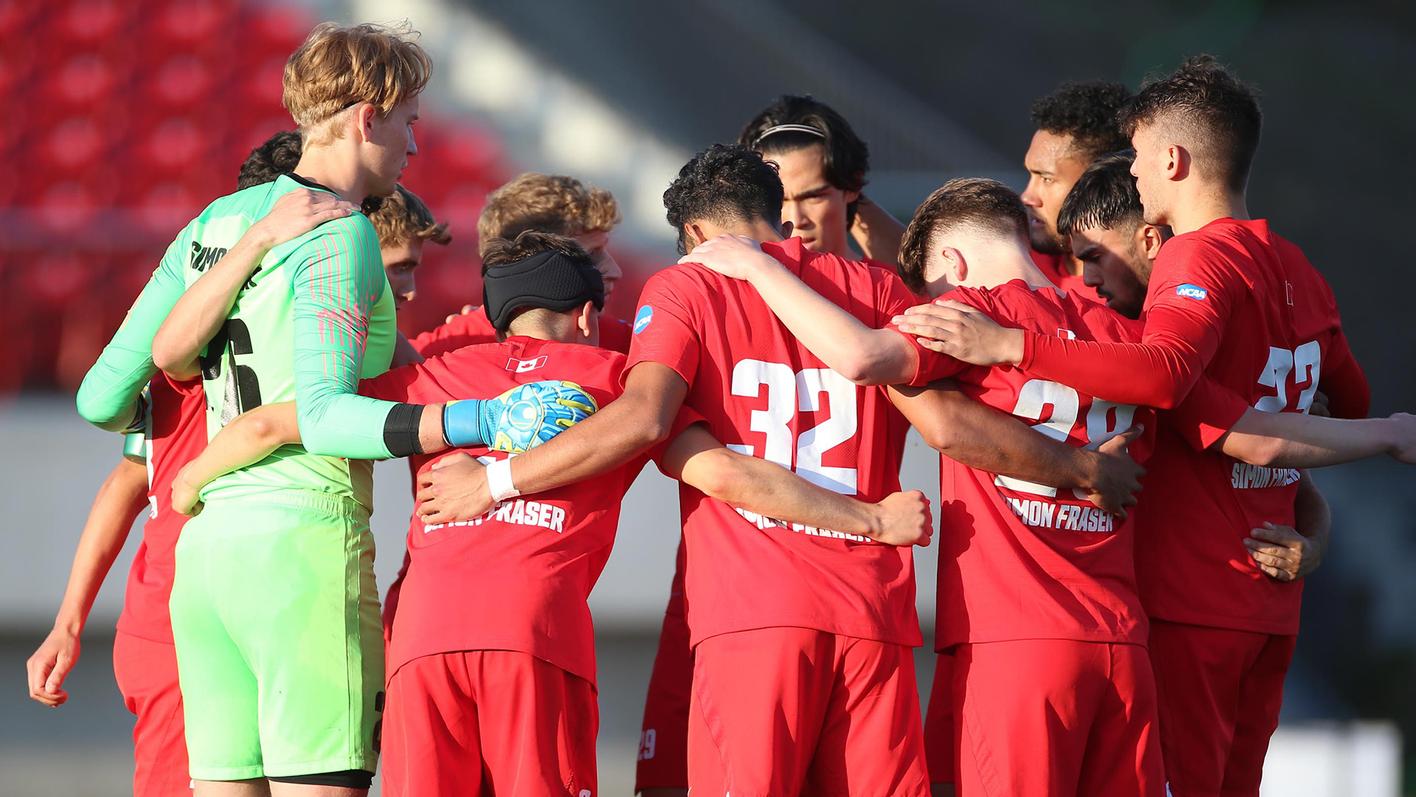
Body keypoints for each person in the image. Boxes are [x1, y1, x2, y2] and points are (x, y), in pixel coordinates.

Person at [416, 145, 1149, 795]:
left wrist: (496, 477)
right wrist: (1077, 467)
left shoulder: (687, 288)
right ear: (776, 215)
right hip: (872, 615)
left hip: (752, 616)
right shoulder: (876, 291)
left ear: (698, 237)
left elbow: (666, 434)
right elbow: (949, 426)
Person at [169, 230, 933, 796]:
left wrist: (191, 479)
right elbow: (723, 471)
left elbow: (274, 423)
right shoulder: (619, 379)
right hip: (534, 639)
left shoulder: (432, 374)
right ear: (585, 313)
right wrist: (867, 518)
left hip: (423, 643)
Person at [897, 57, 1376, 795]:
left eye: (1048, 180)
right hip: (1224, 620)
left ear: (1145, 180)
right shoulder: (1285, 269)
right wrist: (1315, 536)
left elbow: (1207, 406)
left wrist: (1005, 349)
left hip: (1161, 614)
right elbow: (1312, 418)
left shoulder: (1165, 297)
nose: (1031, 198)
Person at [411, 172, 632, 356]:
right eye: (591, 255)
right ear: (530, 261)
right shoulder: (445, 349)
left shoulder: (632, 347)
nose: (615, 271)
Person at [739, 94, 907, 264]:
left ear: (853, 186)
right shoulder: (729, 285)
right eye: (777, 201)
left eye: (813, 197)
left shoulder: (887, 285)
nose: (796, 220)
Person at [1022, 81, 1132, 301]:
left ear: (1097, 180)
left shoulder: (1134, 293)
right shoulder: (1016, 260)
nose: (1027, 196)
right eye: (1030, 175)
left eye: (1046, 178)